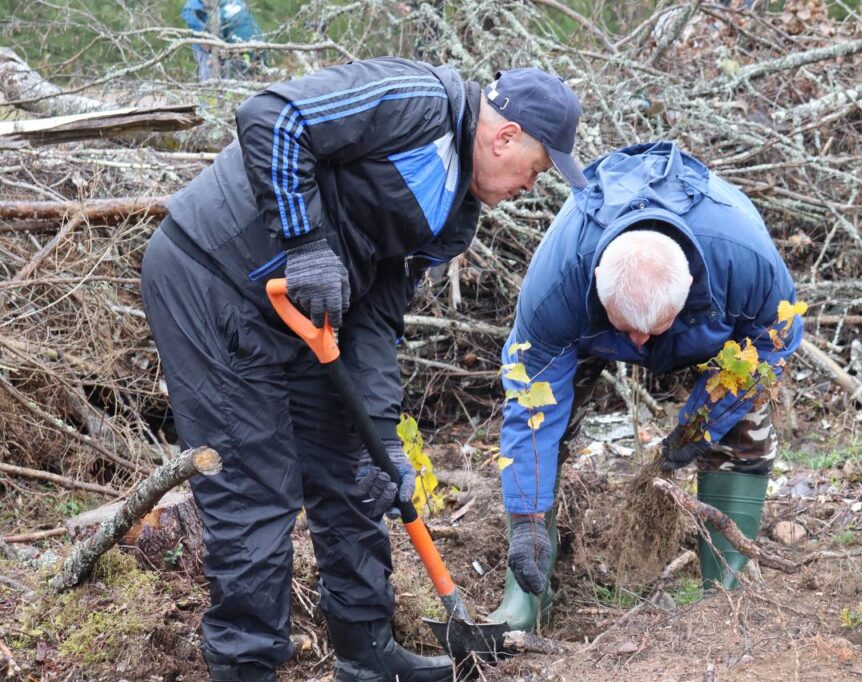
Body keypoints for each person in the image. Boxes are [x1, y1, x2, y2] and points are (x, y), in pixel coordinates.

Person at [140, 60, 584, 681]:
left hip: (305, 312)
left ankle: (366, 650)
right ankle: (246, 667)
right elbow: (272, 115)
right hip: (212, 277)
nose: (531, 185)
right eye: (536, 169)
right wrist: (305, 242)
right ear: (504, 138)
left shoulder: (455, 220)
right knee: (255, 485)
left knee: (355, 470)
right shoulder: (418, 102)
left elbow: (376, 317)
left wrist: (382, 440)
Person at [489, 141, 803, 631]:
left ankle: (726, 593)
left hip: (709, 328)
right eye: (628, 328)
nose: (638, 342)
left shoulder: (743, 262)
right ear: (596, 280)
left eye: (650, 330)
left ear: (689, 286)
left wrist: (700, 425)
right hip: (589, 324)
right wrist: (526, 522)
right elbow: (530, 407)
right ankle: (525, 602)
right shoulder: (559, 283)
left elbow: (775, 343)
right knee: (544, 430)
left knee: (743, 416)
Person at [182, 0, 265, 81]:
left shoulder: (194, 8)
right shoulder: (194, 8)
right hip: (256, 46)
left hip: (240, 48)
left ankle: (211, 84)